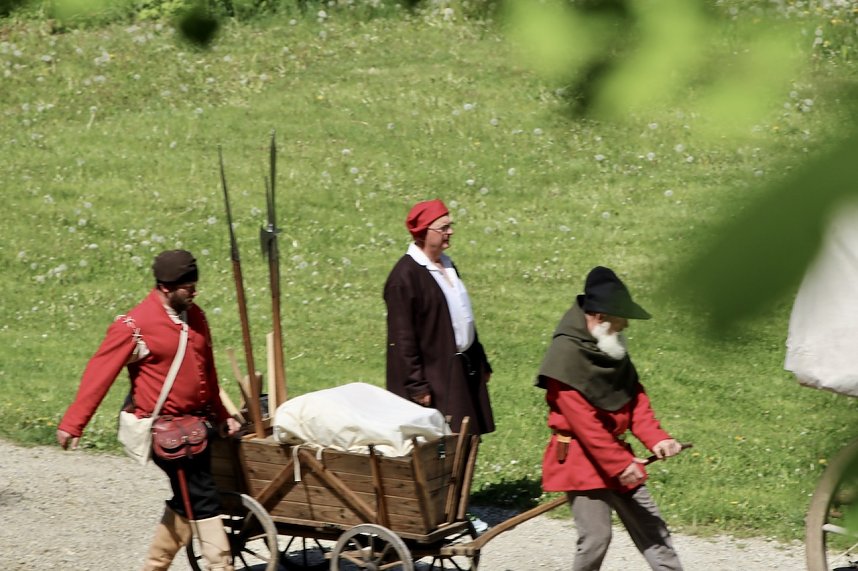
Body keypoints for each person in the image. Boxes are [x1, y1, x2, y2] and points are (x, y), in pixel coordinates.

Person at [56, 249, 241, 571]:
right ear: (166, 287)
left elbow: (207, 372)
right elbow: (101, 372)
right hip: (170, 436)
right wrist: (74, 423)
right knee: (204, 499)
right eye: (188, 287)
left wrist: (223, 415)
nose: (194, 292)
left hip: (198, 428)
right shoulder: (135, 325)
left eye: (195, 285)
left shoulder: (195, 316)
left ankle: (154, 566)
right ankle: (220, 566)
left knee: (187, 502)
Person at [535, 266, 683, 571]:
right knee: (596, 539)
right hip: (581, 459)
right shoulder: (564, 356)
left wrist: (658, 438)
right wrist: (620, 464)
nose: (625, 325)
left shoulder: (608, 345)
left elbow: (634, 398)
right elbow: (584, 425)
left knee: (653, 529)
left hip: (615, 455)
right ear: (599, 318)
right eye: (620, 320)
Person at [384, 198, 494, 436]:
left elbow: (463, 315)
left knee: (466, 435)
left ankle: (462, 475)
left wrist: (480, 359)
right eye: (443, 228)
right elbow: (402, 339)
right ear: (424, 232)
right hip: (434, 374)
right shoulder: (404, 277)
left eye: (449, 226)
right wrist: (416, 385)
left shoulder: (448, 265)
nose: (450, 232)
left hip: (461, 367)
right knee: (442, 442)